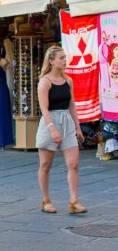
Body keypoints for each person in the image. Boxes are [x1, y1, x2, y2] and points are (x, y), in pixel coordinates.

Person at [36, 46, 87, 214]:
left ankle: (74, 201)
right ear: (51, 61)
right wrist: (52, 129)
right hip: (50, 121)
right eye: (61, 58)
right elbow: (44, 108)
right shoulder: (45, 81)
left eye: (65, 57)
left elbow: (72, 104)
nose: (65, 60)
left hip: (67, 121)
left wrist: (77, 127)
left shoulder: (68, 80)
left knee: (73, 163)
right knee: (45, 164)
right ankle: (46, 200)